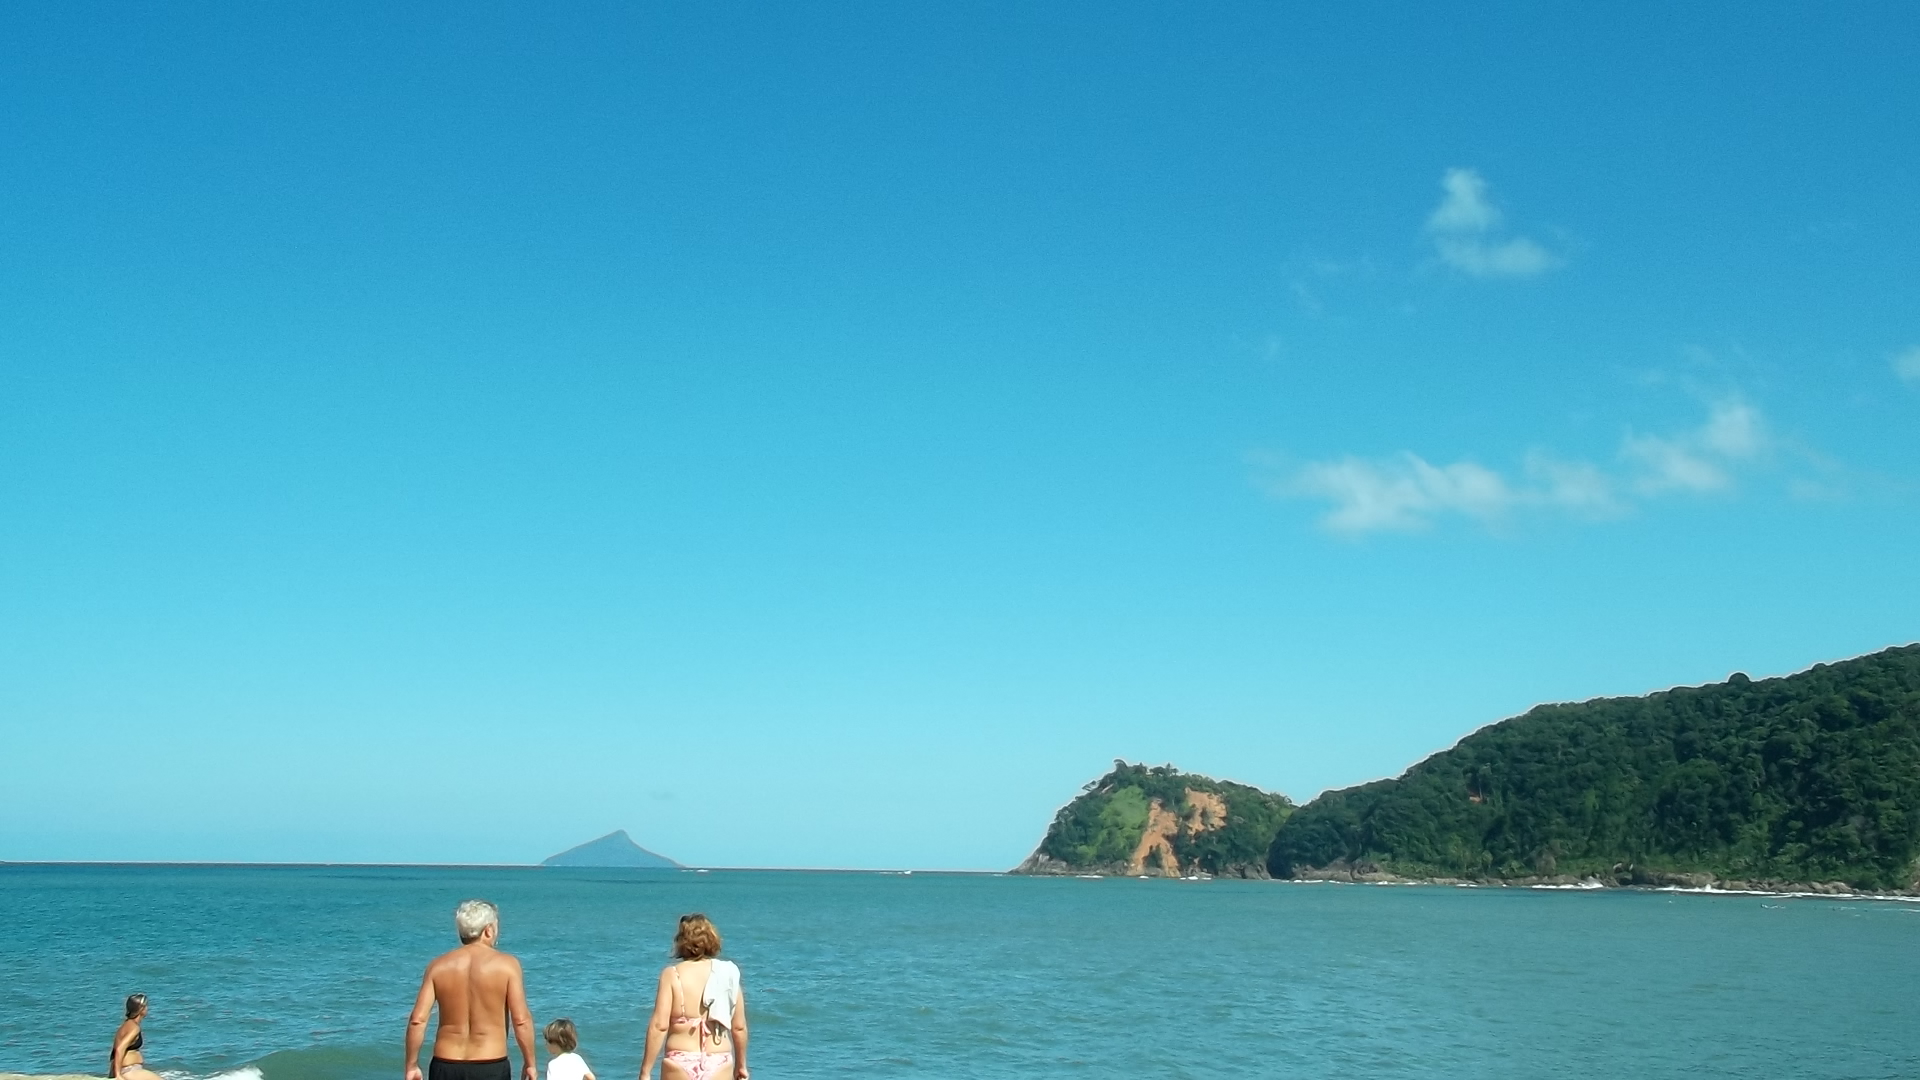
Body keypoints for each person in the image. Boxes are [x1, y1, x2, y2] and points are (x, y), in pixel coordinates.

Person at [405, 899, 538, 1080]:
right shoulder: (507, 965)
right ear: (488, 930)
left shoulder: (437, 966)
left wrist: (411, 1065)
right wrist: (530, 1063)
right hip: (490, 1064)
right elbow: (521, 1020)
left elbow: (417, 1020)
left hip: (445, 1064)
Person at [638, 914, 749, 1080]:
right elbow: (738, 1027)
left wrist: (645, 1071)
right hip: (719, 1059)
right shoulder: (728, 975)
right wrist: (741, 1066)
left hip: (680, 1059)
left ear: (681, 941)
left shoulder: (672, 974)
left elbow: (659, 1025)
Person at [109, 993, 160, 1080]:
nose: (147, 1009)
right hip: (129, 1070)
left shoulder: (125, 1025)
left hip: (127, 1069)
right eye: (146, 1006)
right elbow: (120, 1048)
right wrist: (118, 1075)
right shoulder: (134, 1028)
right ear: (141, 1009)